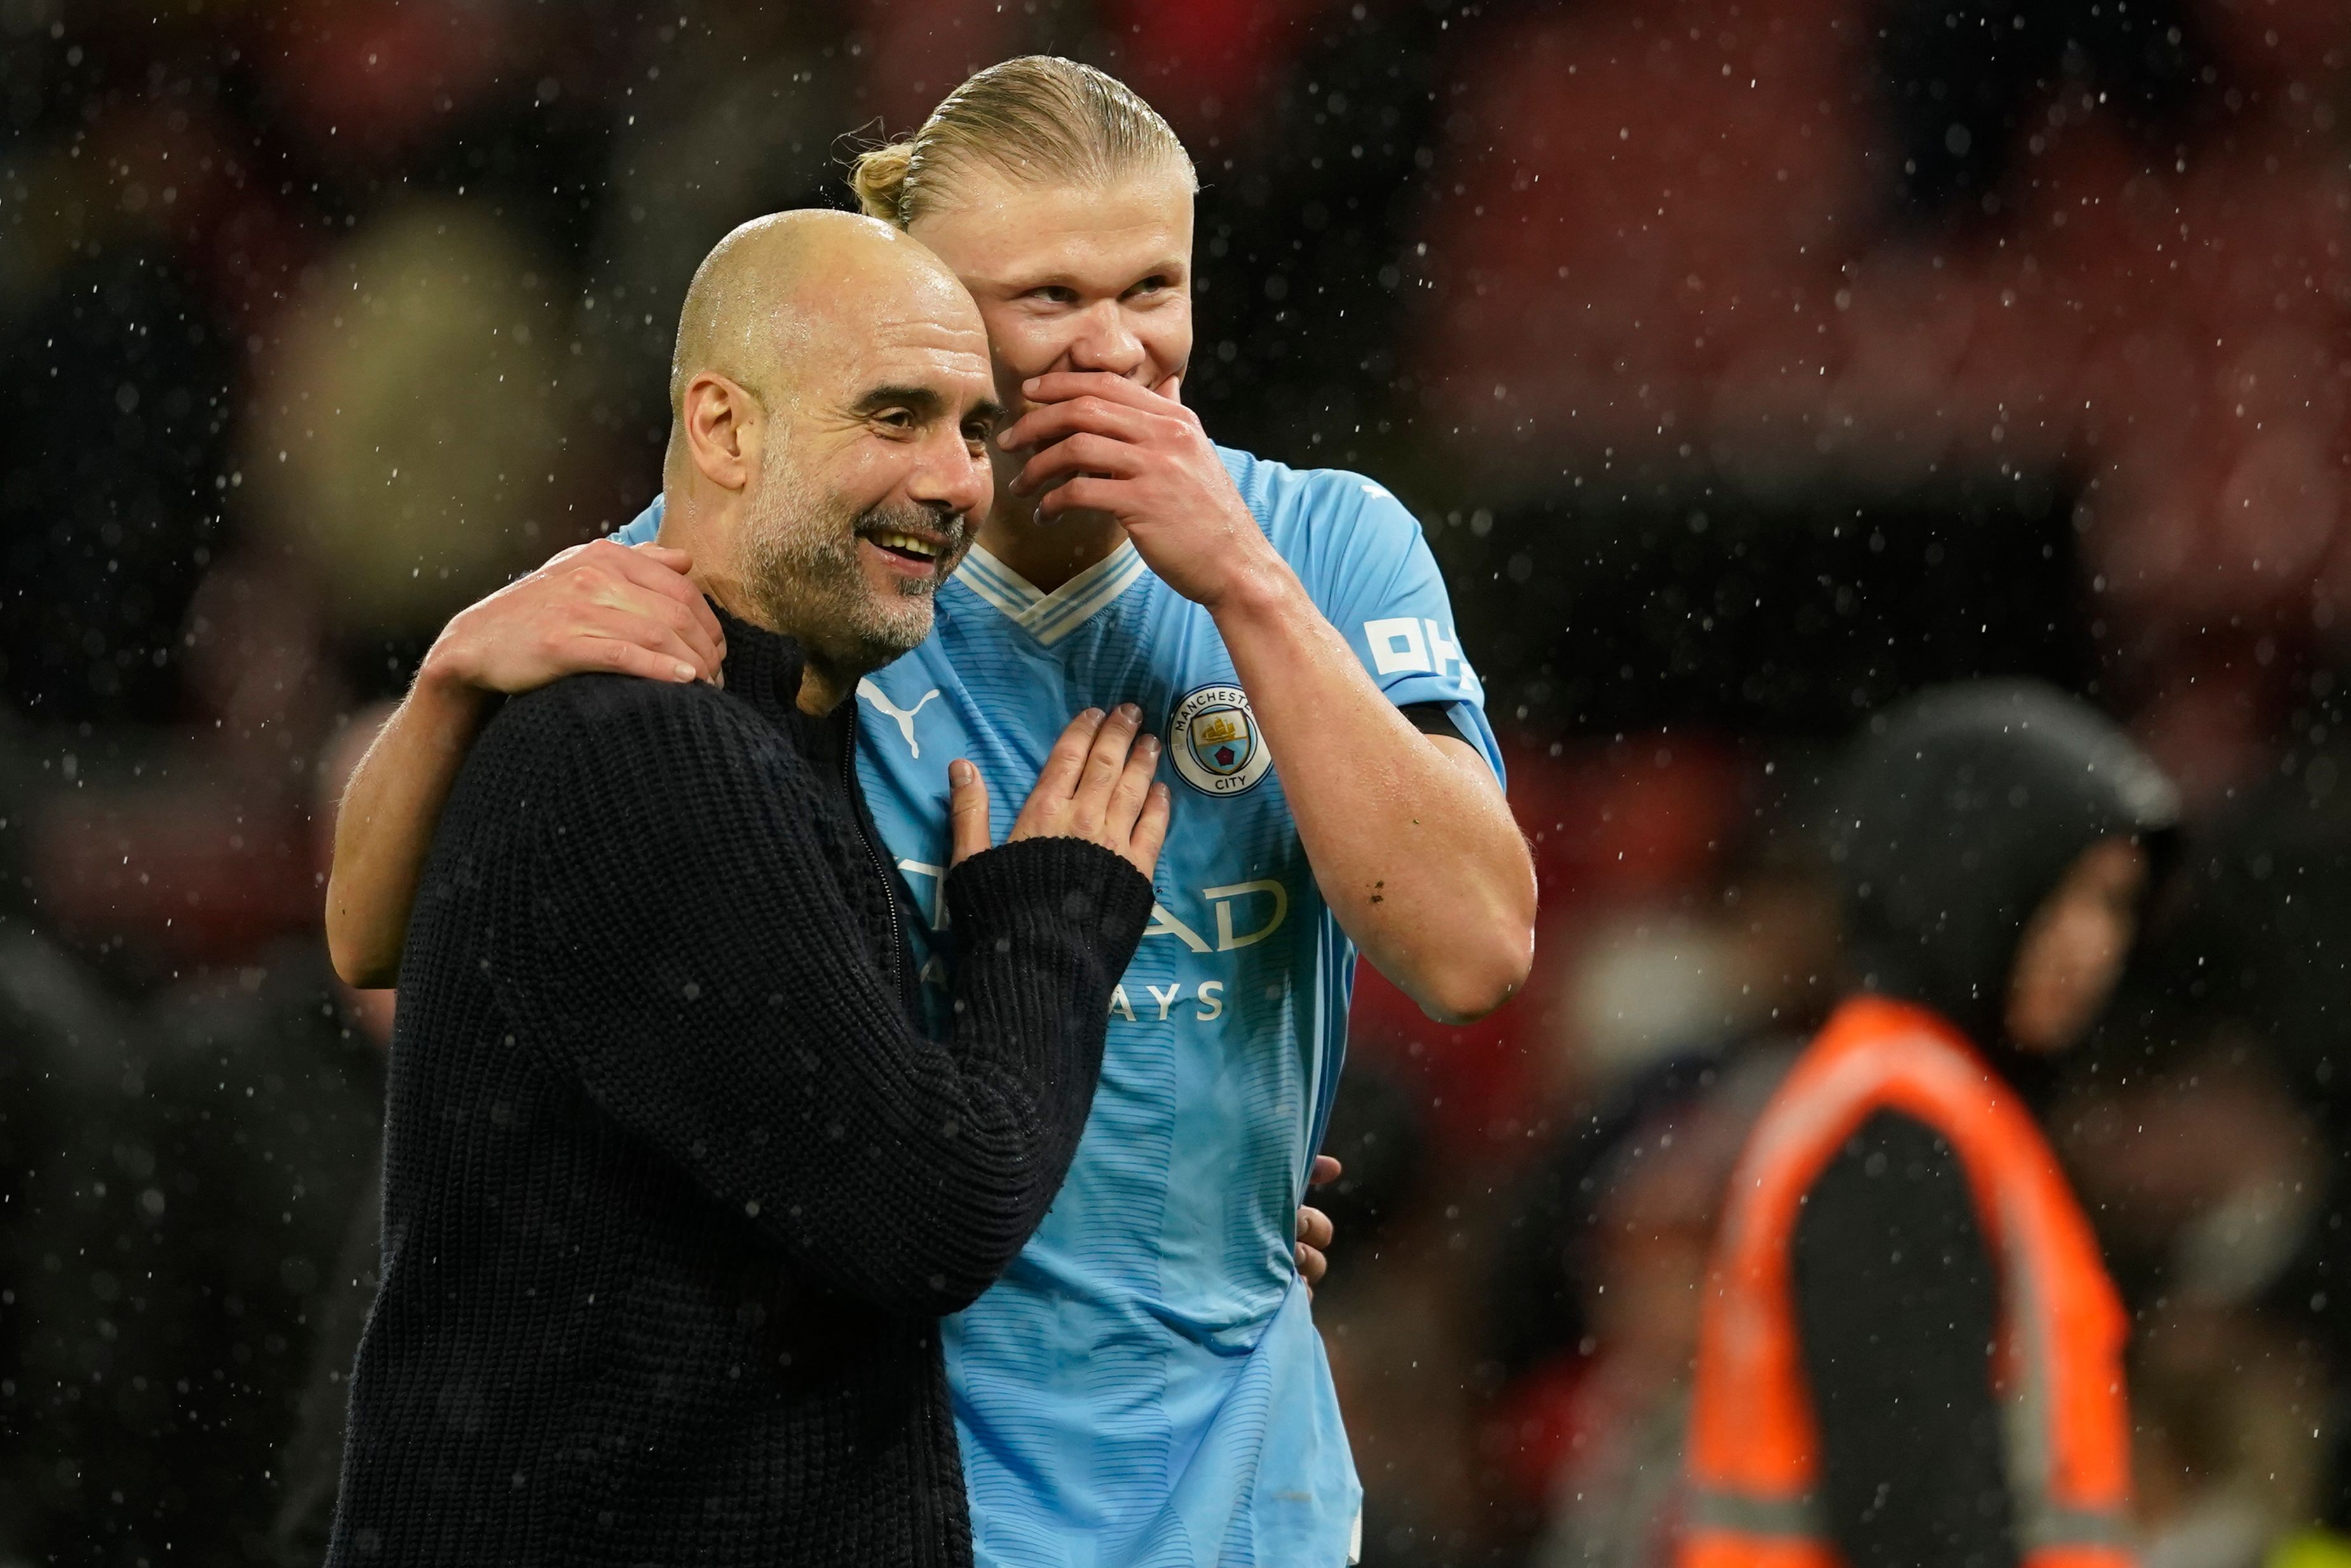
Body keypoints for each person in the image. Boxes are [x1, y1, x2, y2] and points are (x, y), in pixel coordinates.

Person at [326, 57, 1537, 1565]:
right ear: (922, 304)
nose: (1115, 348)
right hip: (923, 1483)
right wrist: (452, 675)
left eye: (1152, 287)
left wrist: (1239, 580)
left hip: (1246, 1489)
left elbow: (1471, 950)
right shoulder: (825, 569)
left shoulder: (1325, 541)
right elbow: (383, 935)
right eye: (1047, 299)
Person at [327, 209, 1162, 1566]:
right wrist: (1051, 927)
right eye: (894, 415)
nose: (955, 479)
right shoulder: (649, 748)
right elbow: (935, 1209)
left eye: (973, 429)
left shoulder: (766, 736)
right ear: (721, 429)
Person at [1678, 681, 2178, 1568]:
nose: (2095, 944)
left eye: (2116, 905)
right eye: (2068, 892)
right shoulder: (1898, 1126)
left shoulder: (1923, 1106)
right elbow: (1921, 1524)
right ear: (1970, 873)